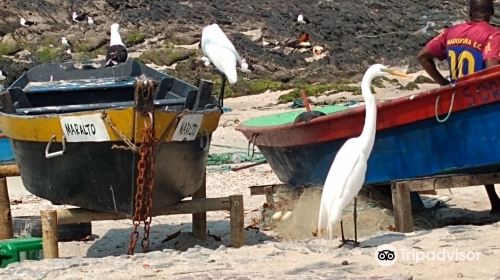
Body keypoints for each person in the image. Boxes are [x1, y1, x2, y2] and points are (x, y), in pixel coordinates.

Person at [417, 0, 500, 213]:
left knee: (479, 152)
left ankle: (494, 200)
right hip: (482, 100)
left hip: (458, 103)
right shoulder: (492, 34)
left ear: (469, 11)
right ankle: (495, 201)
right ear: (491, 11)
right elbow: (491, 70)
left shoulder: (451, 32)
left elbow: (423, 56)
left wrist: (443, 84)